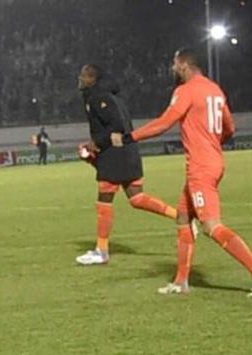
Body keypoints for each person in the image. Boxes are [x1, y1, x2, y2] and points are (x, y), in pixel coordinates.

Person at [113, 49, 252, 296]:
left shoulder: (185, 91)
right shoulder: (215, 89)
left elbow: (164, 123)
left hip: (200, 168)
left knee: (211, 226)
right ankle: (181, 281)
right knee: (182, 218)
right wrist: (212, 142)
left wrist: (129, 137)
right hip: (214, 162)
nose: (173, 69)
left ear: (185, 66)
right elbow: (230, 127)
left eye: (175, 64)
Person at [74, 63, 178, 266]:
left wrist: (96, 144)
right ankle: (181, 218)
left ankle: (101, 251)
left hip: (116, 155)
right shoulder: (109, 96)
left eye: (83, 75)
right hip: (127, 152)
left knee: (104, 199)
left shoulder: (99, 97)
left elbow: (117, 127)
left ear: (92, 79)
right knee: (137, 198)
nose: (80, 78)